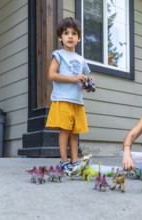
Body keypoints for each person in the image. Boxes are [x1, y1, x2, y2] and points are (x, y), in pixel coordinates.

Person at [46, 17, 93, 173]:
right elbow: (52, 75)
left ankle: (75, 161)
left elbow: (88, 75)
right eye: (66, 33)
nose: (70, 36)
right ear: (61, 37)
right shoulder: (58, 55)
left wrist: (88, 83)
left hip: (77, 102)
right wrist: (73, 78)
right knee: (65, 131)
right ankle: (63, 161)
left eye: (74, 33)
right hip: (63, 99)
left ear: (78, 39)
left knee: (75, 133)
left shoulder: (81, 59)